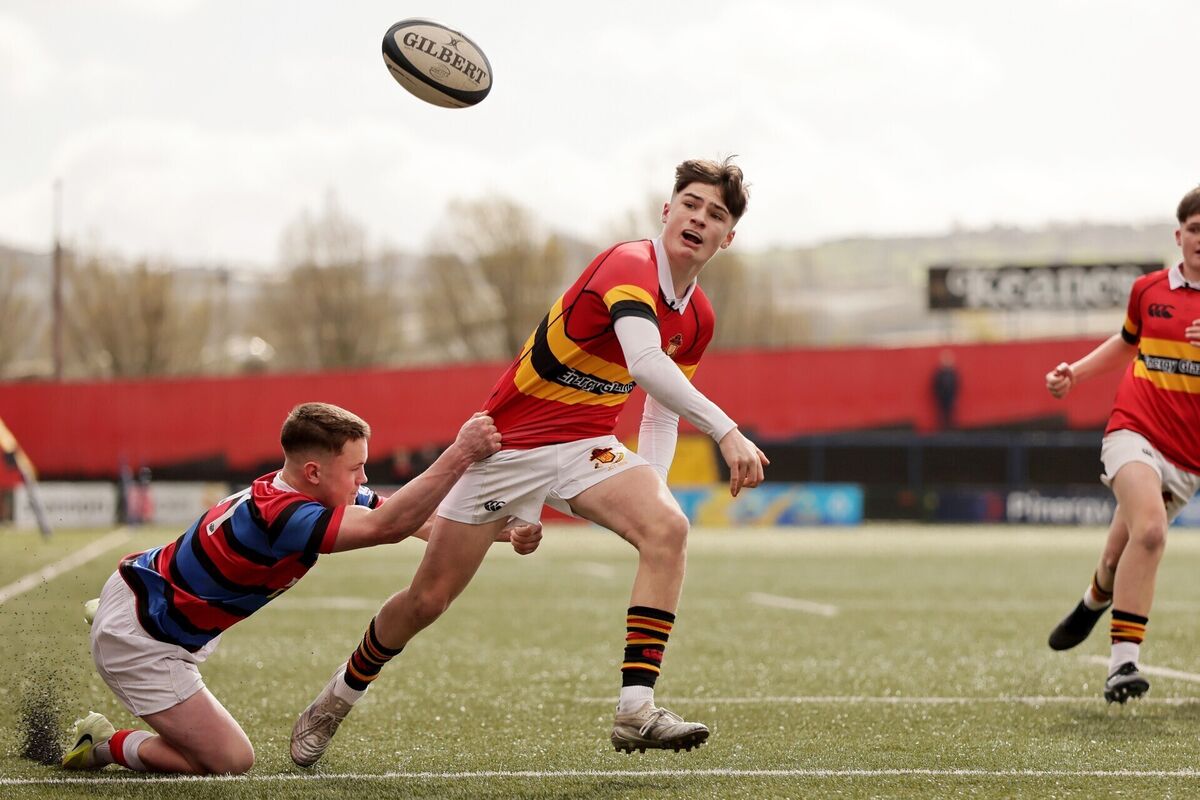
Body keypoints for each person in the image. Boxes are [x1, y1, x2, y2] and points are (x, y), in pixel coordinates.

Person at [290, 156, 769, 766]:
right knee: (427, 600)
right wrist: (727, 431)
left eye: (717, 215)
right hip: (506, 446)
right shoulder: (627, 265)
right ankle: (336, 697)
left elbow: (659, 411)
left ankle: (635, 710)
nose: (700, 219)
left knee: (668, 528)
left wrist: (651, 490)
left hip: (587, 445)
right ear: (667, 210)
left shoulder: (698, 317)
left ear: (728, 238)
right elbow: (646, 364)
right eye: (692, 204)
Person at [62, 402, 541, 775]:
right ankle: (105, 742)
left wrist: (500, 532)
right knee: (229, 761)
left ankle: (113, 610)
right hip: (143, 640)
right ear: (314, 472)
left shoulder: (301, 490)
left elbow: (416, 520)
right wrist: (460, 454)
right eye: (356, 468)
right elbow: (388, 527)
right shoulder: (283, 516)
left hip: (144, 588)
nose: (364, 478)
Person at [1045, 186, 1200, 703]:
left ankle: (1093, 599)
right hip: (1135, 430)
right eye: (1195, 230)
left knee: (1118, 555)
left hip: (1188, 456)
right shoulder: (1148, 290)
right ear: (1179, 236)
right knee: (1150, 533)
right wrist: (1077, 373)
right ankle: (1122, 665)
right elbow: (1127, 342)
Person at [931, 349, 960, 430]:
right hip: (942, 397)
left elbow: (956, 384)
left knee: (950, 412)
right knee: (941, 412)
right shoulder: (940, 373)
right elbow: (936, 384)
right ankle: (943, 427)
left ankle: (950, 426)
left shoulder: (952, 373)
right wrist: (939, 393)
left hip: (950, 396)